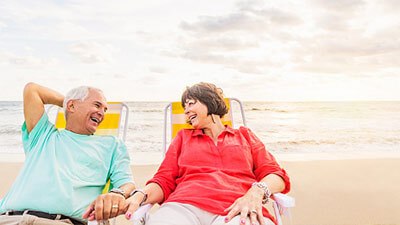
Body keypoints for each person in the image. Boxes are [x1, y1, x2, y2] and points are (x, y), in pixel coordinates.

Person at [125, 82, 291, 225]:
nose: (186, 111)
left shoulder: (244, 135)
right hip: (183, 206)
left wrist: (256, 193)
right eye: (185, 107)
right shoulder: (183, 137)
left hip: (236, 207)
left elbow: (276, 175)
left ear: (209, 101)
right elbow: (164, 180)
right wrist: (141, 194)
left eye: (191, 104)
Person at [0, 83, 135, 225]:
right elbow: (32, 90)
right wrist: (67, 103)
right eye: (97, 105)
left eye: (105, 109)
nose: (102, 113)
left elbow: (126, 184)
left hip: (63, 222)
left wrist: (117, 194)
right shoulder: (42, 135)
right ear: (71, 106)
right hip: (8, 219)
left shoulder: (112, 145)